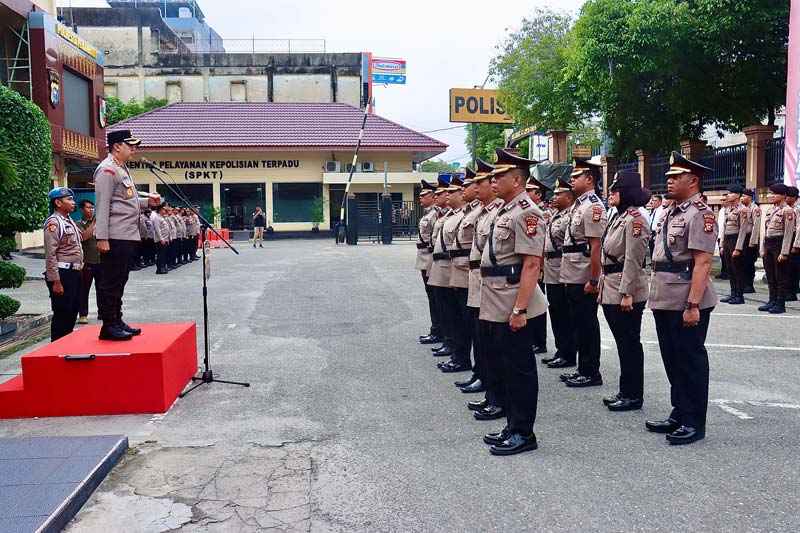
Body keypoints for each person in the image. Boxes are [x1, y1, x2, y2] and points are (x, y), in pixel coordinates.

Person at [478, 148, 547, 456]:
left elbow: (532, 265)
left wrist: (520, 309)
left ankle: (524, 432)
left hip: (511, 300)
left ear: (517, 179)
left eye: (499, 176)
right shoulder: (505, 210)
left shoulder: (527, 212)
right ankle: (512, 424)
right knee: (505, 365)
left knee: (519, 368)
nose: (493, 180)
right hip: (496, 298)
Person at [646, 151, 717, 445]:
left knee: (690, 360)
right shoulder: (671, 211)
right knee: (672, 359)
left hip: (686, 295)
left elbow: (702, 262)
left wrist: (693, 304)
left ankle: (693, 421)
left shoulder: (701, 213)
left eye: (676, 177)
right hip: (664, 294)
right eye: (669, 178)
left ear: (693, 180)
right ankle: (679, 411)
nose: (670, 182)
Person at [93, 129, 161, 341]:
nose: (134, 149)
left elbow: (124, 202)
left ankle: (117, 319)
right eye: (129, 145)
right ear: (116, 146)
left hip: (128, 235)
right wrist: (102, 238)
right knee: (110, 282)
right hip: (115, 236)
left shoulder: (121, 169)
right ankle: (108, 325)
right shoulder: (107, 170)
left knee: (120, 280)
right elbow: (102, 207)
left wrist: (146, 202)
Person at [599, 171, 651, 412]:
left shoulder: (635, 219)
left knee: (629, 343)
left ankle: (632, 395)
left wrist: (627, 293)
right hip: (611, 284)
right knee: (623, 343)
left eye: (615, 191)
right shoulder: (618, 216)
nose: (610, 195)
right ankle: (625, 390)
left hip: (625, 287)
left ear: (627, 193)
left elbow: (633, 259)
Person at [559, 156, 607, 387]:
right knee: (577, 322)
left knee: (587, 323)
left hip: (583, 272)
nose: (572, 179)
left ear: (589, 179)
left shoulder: (593, 206)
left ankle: (591, 371)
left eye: (576, 176)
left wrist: (594, 279)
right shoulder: (579, 205)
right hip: (572, 271)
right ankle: (582, 368)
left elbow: (595, 246)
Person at [459, 158, 499, 396]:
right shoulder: (482, 212)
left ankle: (488, 381)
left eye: (480, 182)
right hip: (475, 276)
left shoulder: (497, 212)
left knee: (488, 339)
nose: (475, 187)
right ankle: (480, 374)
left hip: (490, 280)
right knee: (478, 333)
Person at [436, 174, 472, 374]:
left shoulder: (470, 214)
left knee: (464, 320)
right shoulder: (455, 214)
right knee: (452, 315)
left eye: (452, 191)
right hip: (452, 267)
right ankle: (458, 355)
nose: (448, 195)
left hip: (466, 270)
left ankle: (462, 357)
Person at [542, 179, 578, 369]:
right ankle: (560, 350)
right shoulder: (557, 215)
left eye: (558, 194)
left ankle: (568, 353)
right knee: (555, 312)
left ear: (569, 197)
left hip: (562, 267)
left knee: (565, 314)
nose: (554, 197)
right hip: (551, 268)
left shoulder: (570, 216)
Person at [43, 188, 83, 341]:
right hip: (63, 274)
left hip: (75, 273)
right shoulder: (54, 223)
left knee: (72, 311)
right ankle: (56, 348)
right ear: (58, 203)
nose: (73, 203)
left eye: (72, 199)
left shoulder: (69, 220)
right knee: (62, 313)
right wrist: (56, 281)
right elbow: (50, 254)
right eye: (69, 200)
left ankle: (65, 345)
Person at [427, 175, 455, 358]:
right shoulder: (444, 215)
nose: (436, 197)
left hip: (451, 265)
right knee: (441, 306)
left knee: (452, 311)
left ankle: (452, 344)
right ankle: (447, 340)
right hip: (437, 261)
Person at [416, 179, 442, 345]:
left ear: (433, 197)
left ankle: (438, 330)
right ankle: (436, 329)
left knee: (436, 298)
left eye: (423, 195)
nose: (420, 198)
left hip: (431, 258)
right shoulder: (428, 213)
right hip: (424, 257)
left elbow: (435, 240)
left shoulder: (435, 214)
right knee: (431, 297)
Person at [525, 179, 550, 355]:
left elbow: (541, 242)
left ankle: (539, 341)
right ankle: (534, 339)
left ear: (538, 194)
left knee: (537, 304)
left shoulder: (543, 213)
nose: (527, 194)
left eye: (530, 191)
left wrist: (540, 266)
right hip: (534, 262)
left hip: (540, 263)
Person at [763, 183, 795, 313]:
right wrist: (763, 248)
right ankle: (772, 299)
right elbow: (765, 231)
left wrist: (784, 252)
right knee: (770, 274)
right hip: (769, 243)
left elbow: (788, 233)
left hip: (779, 244)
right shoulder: (771, 210)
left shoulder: (788, 211)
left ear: (783, 196)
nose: (772, 196)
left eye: (775, 194)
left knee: (780, 275)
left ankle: (780, 303)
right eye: (771, 193)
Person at [76, 199, 99, 324]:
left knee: (102, 288)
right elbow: (84, 237)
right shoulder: (79, 224)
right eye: (88, 207)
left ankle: (103, 311)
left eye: (92, 207)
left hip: (101, 261)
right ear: (81, 209)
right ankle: (83, 314)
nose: (91, 210)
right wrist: (93, 224)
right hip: (87, 261)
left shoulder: (100, 223)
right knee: (84, 289)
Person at [741, 189, 759, 293]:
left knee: (749, 262)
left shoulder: (754, 209)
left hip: (750, 238)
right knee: (742, 262)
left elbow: (756, 226)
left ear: (749, 197)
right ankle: (743, 283)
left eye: (744, 196)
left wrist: (753, 241)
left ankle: (749, 284)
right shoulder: (743, 208)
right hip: (743, 238)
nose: (742, 198)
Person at [787, 186, 800, 301]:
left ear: (795, 198)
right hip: (786, 240)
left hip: (794, 240)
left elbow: (799, 229)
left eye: (789, 196)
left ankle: (792, 292)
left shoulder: (797, 210)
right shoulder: (784, 209)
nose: (786, 198)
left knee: (793, 267)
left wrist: (796, 245)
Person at [152, 204, 171, 275]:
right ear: (160, 210)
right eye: (164, 209)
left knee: (164, 254)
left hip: (165, 238)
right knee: (160, 254)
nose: (165, 211)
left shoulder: (162, 217)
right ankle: (159, 268)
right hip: (160, 240)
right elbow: (158, 230)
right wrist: (161, 239)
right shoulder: (157, 218)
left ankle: (163, 266)